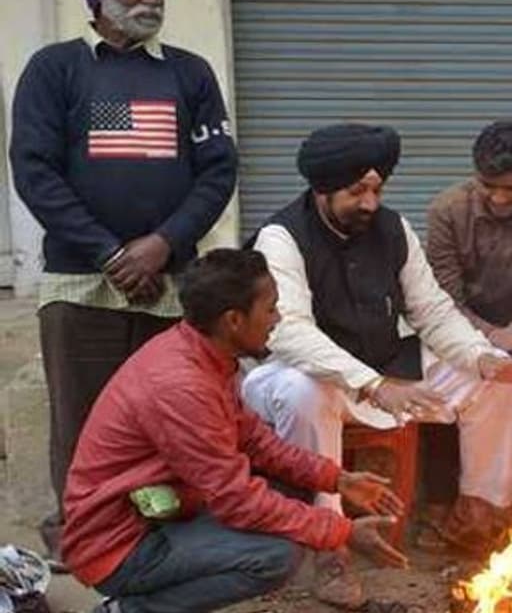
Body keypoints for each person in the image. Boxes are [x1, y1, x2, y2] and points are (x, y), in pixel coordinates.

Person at [239, 124, 512, 607]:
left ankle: (478, 515)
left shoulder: (392, 229)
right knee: (305, 392)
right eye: (356, 192)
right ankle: (329, 544)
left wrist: (482, 356)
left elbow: (432, 312)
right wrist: (374, 384)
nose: (370, 203)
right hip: (301, 375)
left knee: (495, 377)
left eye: (377, 190)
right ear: (323, 189)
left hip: (382, 367)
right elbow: (290, 333)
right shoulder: (280, 237)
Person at [9, 0, 237, 559]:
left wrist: (164, 243)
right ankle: (81, 537)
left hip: (170, 281)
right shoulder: (56, 69)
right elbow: (35, 171)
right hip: (82, 281)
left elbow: (218, 170)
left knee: (168, 416)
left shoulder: (189, 73)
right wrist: (110, 255)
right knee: (82, 418)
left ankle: (156, 534)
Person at [61, 249, 406, 613]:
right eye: (270, 309)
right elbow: (235, 500)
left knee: (296, 491)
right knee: (276, 556)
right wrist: (342, 532)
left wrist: (337, 479)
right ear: (234, 321)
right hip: (122, 545)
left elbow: (255, 440)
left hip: (164, 513)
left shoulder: (203, 354)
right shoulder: (181, 386)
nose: (277, 319)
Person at [423, 120, 512, 517]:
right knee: (453, 379)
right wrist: (491, 336)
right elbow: (442, 300)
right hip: (457, 329)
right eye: (488, 186)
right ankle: (440, 506)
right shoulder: (446, 211)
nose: (499, 198)